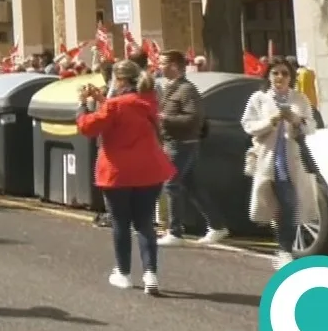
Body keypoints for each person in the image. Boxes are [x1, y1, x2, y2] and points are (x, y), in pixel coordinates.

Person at [75, 60, 175, 295]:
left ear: (119, 81)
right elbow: (123, 109)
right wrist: (102, 99)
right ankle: (151, 273)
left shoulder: (115, 105)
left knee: (121, 222)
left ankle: (124, 273)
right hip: (149, 169)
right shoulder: (147, 100)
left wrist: (82, 105)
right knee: (145, 222)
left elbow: (88, 127)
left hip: (118, 171)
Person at [242, 57, 319, 271]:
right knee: (277, 205)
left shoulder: (299, 99)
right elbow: (248, 126)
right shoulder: (259, 99)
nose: (280, 77)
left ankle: (285, 249)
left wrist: (296, 120)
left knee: (290, 204)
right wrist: (272, 121)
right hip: (267, 159)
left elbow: (310, 127)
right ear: (268, 76)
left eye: (284, 73)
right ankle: (284, 247)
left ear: (291, 77)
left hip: (291, 160)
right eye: (275, 73)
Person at [156, 51, 228, 246]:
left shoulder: (186, 90)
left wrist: (165, 119)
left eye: (162, 63)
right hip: (173, 143)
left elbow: (194, 118)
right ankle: (217, 226)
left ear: (174, 66)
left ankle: (175, 232)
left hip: (182, 144)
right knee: (192, 186)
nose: (158, 66)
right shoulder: (171, 87)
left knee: (171, 184)